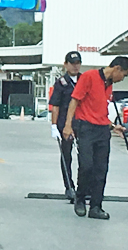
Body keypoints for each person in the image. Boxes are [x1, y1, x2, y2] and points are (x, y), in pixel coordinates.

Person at [63, 56, 128, 220]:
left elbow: (100, 112)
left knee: (101, 169)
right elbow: (74, 101)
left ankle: (96, 206)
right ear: (117, 68)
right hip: (86, 127)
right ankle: (80, 199)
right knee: (86, 165)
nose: (123, 79)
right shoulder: (89, 77)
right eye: (124, 74)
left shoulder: (109, 85)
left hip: (102, 130)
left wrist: (113, 127)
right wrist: (68, 125)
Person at [49, 51, 82, 202]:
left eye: (77, 63)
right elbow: (55, 105)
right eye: (72, 63)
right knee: (66, 156)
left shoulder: (84, 80)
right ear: (66, 64)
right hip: (65, 124)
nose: (75, 67)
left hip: (82, 123)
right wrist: (54, 125)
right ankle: (69, 186)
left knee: (85, 157)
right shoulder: (61, 83)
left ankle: (84, 188)